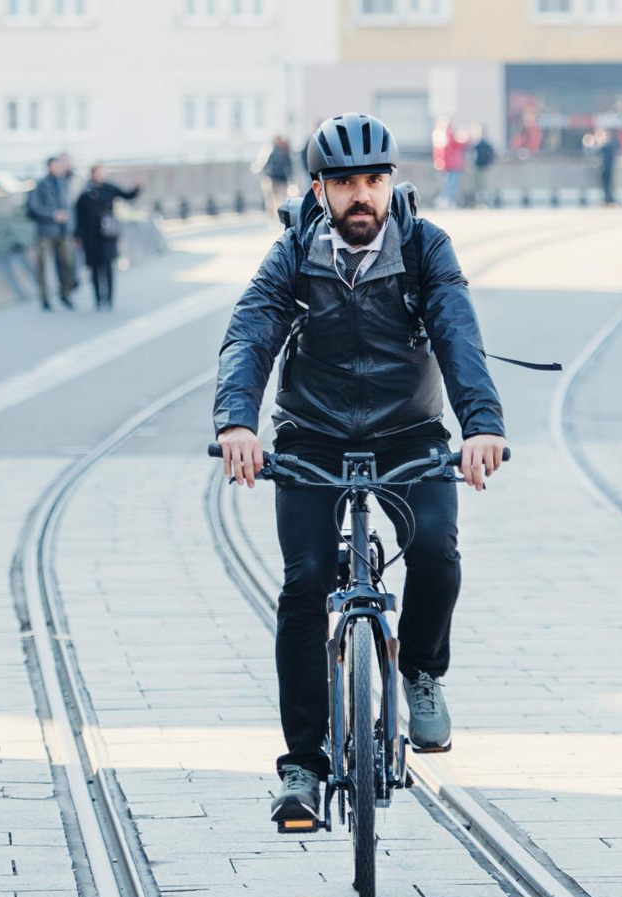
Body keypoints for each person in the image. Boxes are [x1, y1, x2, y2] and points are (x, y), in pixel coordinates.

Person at [214, 112, 507, 825]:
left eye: (373, 180)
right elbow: (251, 332)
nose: (361, 196)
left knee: (436, 549)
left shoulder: (426, 247)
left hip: (410, 436)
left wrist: (481, 427)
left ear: (391, 183)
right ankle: (303, 771)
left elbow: (458, 333)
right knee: (305, 584)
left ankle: (421, 671)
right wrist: (237, 424)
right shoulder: (291, 253)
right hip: (311, 436)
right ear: (319, 189)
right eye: (344, 183)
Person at [74, 163, 141, 311]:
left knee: (108, 268)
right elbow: (78, 215)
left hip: (107, 234)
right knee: (94, 269)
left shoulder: (109, 188)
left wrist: (137, 188)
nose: (101, 175)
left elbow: (126, 195)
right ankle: (98, 299)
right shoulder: (85, 192)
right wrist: (78, 234)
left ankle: (109, 299)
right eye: (98, 172)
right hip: (90, 235)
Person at [27, 155, 77, 311]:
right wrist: (52, 214)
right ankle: (45, 298)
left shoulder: (64, 183)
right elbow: (33, 207)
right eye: (57, 165)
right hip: (46, 232)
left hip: (64, 231)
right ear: (49, 167)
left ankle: (65, 294)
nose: (60, 168)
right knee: (44, 266)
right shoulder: (41, 185)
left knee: (67, 264)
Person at [432, 116, 469, 208]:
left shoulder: (438, 135)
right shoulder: (449, 135)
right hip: (453, 164)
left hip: (444, 164)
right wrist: (465, 134)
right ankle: (446, 200)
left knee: (448, 184)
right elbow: (462, 143)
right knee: (452, 184)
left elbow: (439, 152)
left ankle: (445, 200)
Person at [258, 135, 293, 219]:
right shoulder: (285, 150)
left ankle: (275, 217)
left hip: (274, 178)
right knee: (282, 199)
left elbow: (267, 164)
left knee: (273, 199)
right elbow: (289, 166)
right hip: (283, 179)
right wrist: (290, 178)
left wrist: (262, 172)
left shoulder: (273, 151)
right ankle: (281, 216)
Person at [470, 125, 495, 208]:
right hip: (476, 167)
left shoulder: (485, 144)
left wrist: (488, 163)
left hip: (483, 167)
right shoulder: (474, 144)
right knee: (477, 186)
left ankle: (484, 202)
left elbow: (491, 154)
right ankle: (478, 202)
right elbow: (470, 155)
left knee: (483, 186)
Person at [598, 129, 620, 206]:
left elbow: (597, 150)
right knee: (606, 186)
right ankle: (608, 200)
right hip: (606, 170)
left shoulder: (607, 146)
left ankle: (609, 200)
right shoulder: (610, 146)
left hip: (607, 170)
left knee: (607, 186)